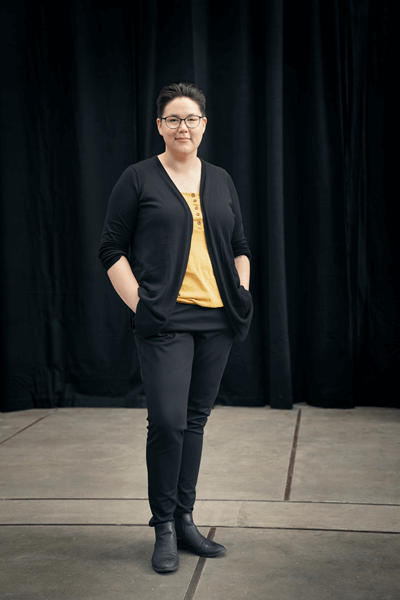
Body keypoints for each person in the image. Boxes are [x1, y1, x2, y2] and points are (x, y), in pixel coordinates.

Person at [99, 82, 253, 574]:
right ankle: (163, 525)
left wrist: (241, 290)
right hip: (165, 318)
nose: (182, 127)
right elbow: (111, 248)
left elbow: (240, 245)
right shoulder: (138, 178)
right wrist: (140, 305)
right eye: (173, 119)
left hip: (218, 318)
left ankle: (185, 520)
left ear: (204, 125)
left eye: (191, 118)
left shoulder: (221, 178)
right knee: (167, 422)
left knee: (194, 421)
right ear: (160, 126)